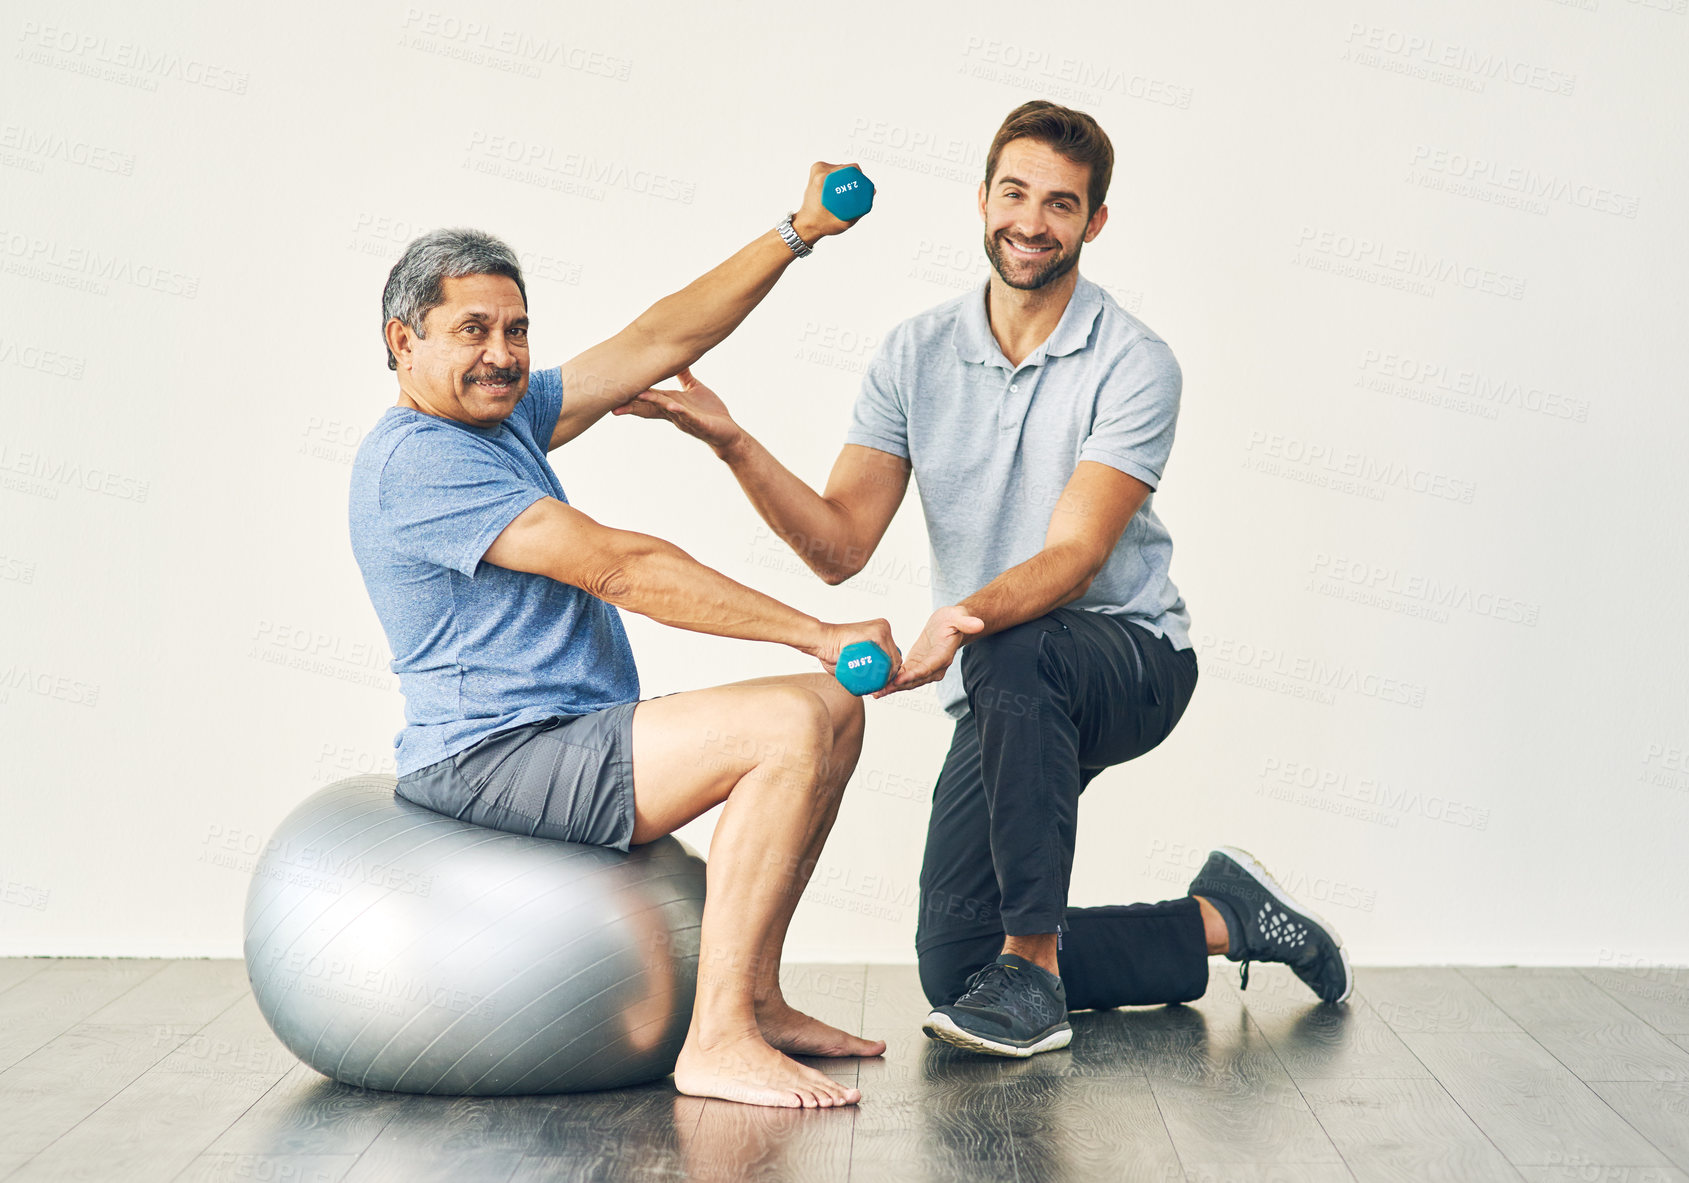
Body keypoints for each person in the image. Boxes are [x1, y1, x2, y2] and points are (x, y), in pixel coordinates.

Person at [616, 102, 1354, 1059]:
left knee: (1017, 643)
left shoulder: (1135, 363)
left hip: (1129, 658)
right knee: (958, 960)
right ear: (981, 199)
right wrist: (732, 443)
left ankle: (1034, 969)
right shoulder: (914, 353)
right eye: (1014, 193)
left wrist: (959, 622)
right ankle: (1222, 918)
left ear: (1093, 223)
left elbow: (1075, 556)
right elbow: (840, 542)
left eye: (1060, 204)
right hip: (1005, 677)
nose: (1030, 220)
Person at [347, 163, 898, 1107]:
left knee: (833, 712)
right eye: (472, 330)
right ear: (404, 342)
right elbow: (616, 566)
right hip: (494, 754)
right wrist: (813, 630)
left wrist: (798, 232)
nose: (502, 353)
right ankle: (715, 1038)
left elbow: (657, 336)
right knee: (789, 722)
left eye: (515, 329)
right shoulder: (417, 461)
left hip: (565, 735)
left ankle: (755, 1001)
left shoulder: (502, 417)